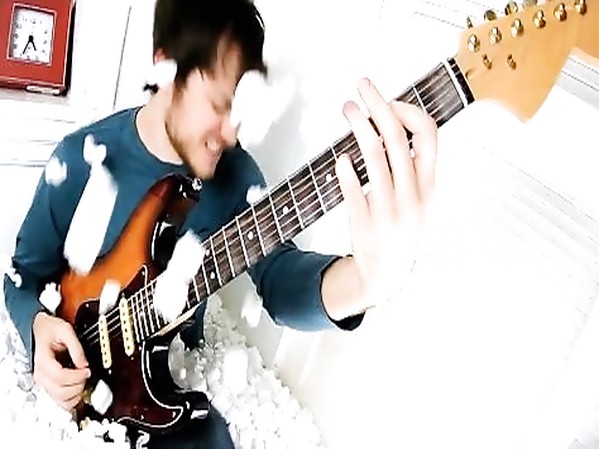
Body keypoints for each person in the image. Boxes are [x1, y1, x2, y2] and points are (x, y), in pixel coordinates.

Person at [3, 0, 438, 447]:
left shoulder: (237, 174)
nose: (231, 134)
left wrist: (366, 280)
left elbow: (280, 279)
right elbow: (21, 276)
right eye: (218, 104)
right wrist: (36, 328)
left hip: (161, 388)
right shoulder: (79, 158)